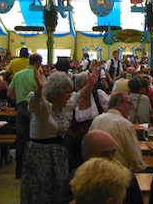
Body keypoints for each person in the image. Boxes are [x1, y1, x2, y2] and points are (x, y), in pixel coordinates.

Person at [21, 68, 99, 204]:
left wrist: (91, 84)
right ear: (57, 93)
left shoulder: (64, 106)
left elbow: (79, 95)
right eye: (67, 92)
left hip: (58, 155)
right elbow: (35, 103)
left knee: (58, 191)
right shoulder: (43, 108)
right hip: (41, 156)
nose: (70, 95)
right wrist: (39, 89)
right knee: (42, 192)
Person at [58, 130, 143, 204]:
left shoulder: (127, 178)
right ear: (86, 157)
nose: (112, 159)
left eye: (113, 153)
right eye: (105, 155)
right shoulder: (75, 182)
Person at [90, 93, 145, 172]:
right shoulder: (125, 124)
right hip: (118, 175)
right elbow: (136, 160)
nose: (132, 107)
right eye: (129, 103)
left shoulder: (96, 120)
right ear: (119, 105)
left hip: (96, 172)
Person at [66, 71, 109, 170]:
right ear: (79, 86)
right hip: (77, 146)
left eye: (92, 84)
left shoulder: (98, 95)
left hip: (96, 143)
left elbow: (111, 110)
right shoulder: (72, 99)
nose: (91, 87)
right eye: (88, 84)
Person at [7, 52, 41, 178]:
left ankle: (19, 171)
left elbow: (9, 93)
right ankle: (32, 171)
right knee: (33, 139)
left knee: (20, 140)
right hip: (35, 108)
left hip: (21, 107)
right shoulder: (38, 75)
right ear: (37, 62)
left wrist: (19, 101)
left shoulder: (17, 75)